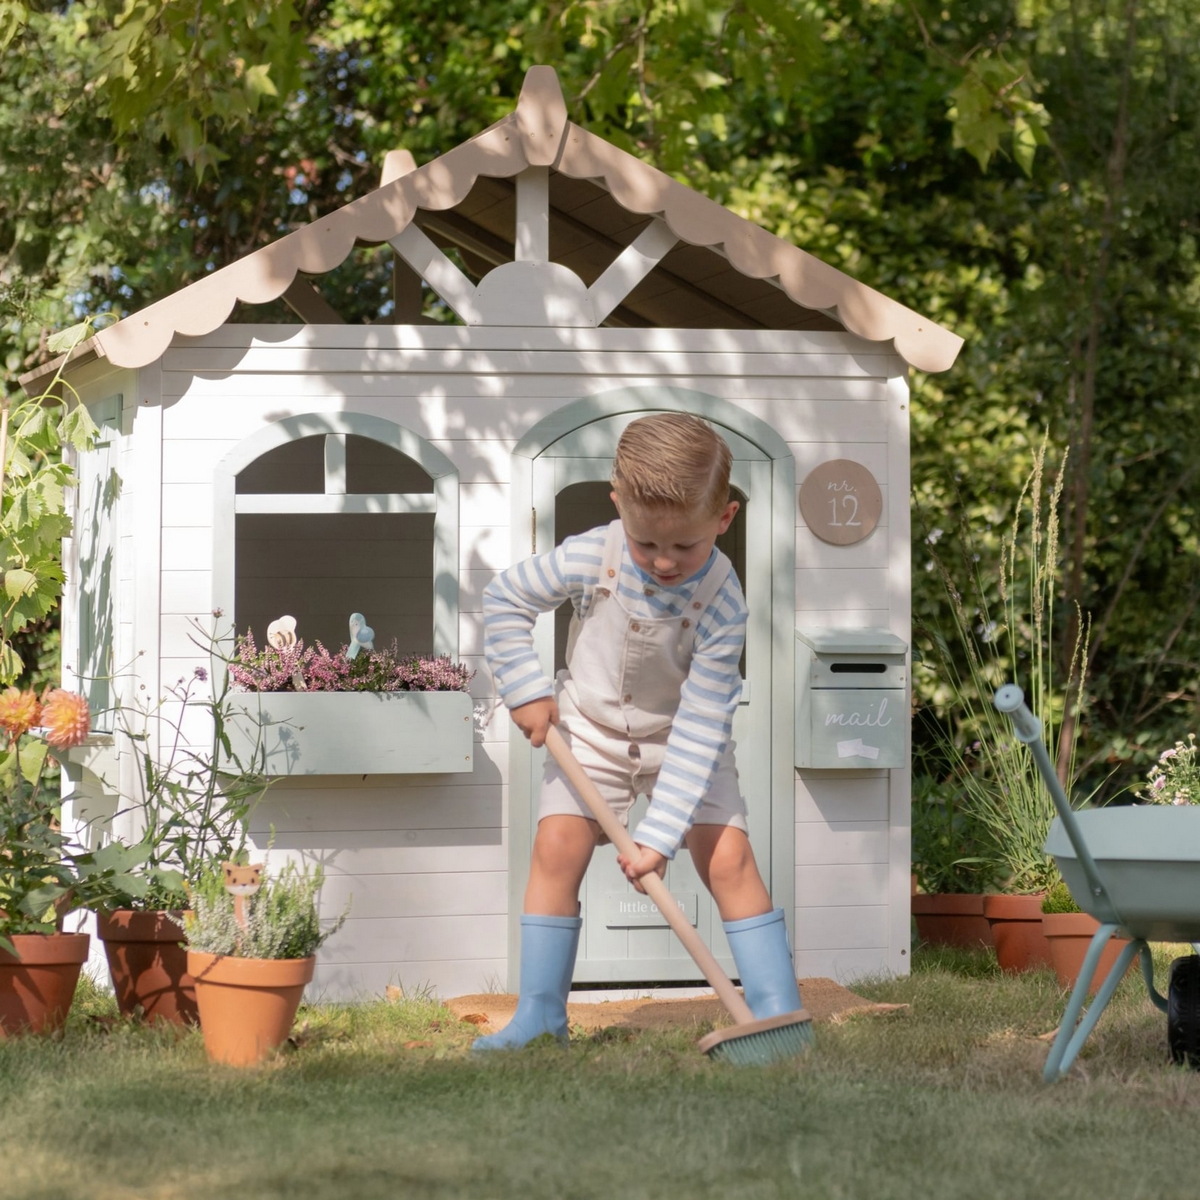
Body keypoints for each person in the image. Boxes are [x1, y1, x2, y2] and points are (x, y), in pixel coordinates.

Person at [474, 412, 802, 1050]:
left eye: (685, 546)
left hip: (687, 739)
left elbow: (704, 721)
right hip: (590, 734)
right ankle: (540, 1017)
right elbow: (506, 598)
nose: (664, 561)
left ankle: (777, 1013)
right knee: (555, 850)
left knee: (729, 858)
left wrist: (660, 834)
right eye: (646, 542)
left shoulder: (724, 601)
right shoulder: (591, 555)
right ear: (618, 503)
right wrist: (526, 689)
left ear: (724, 519)